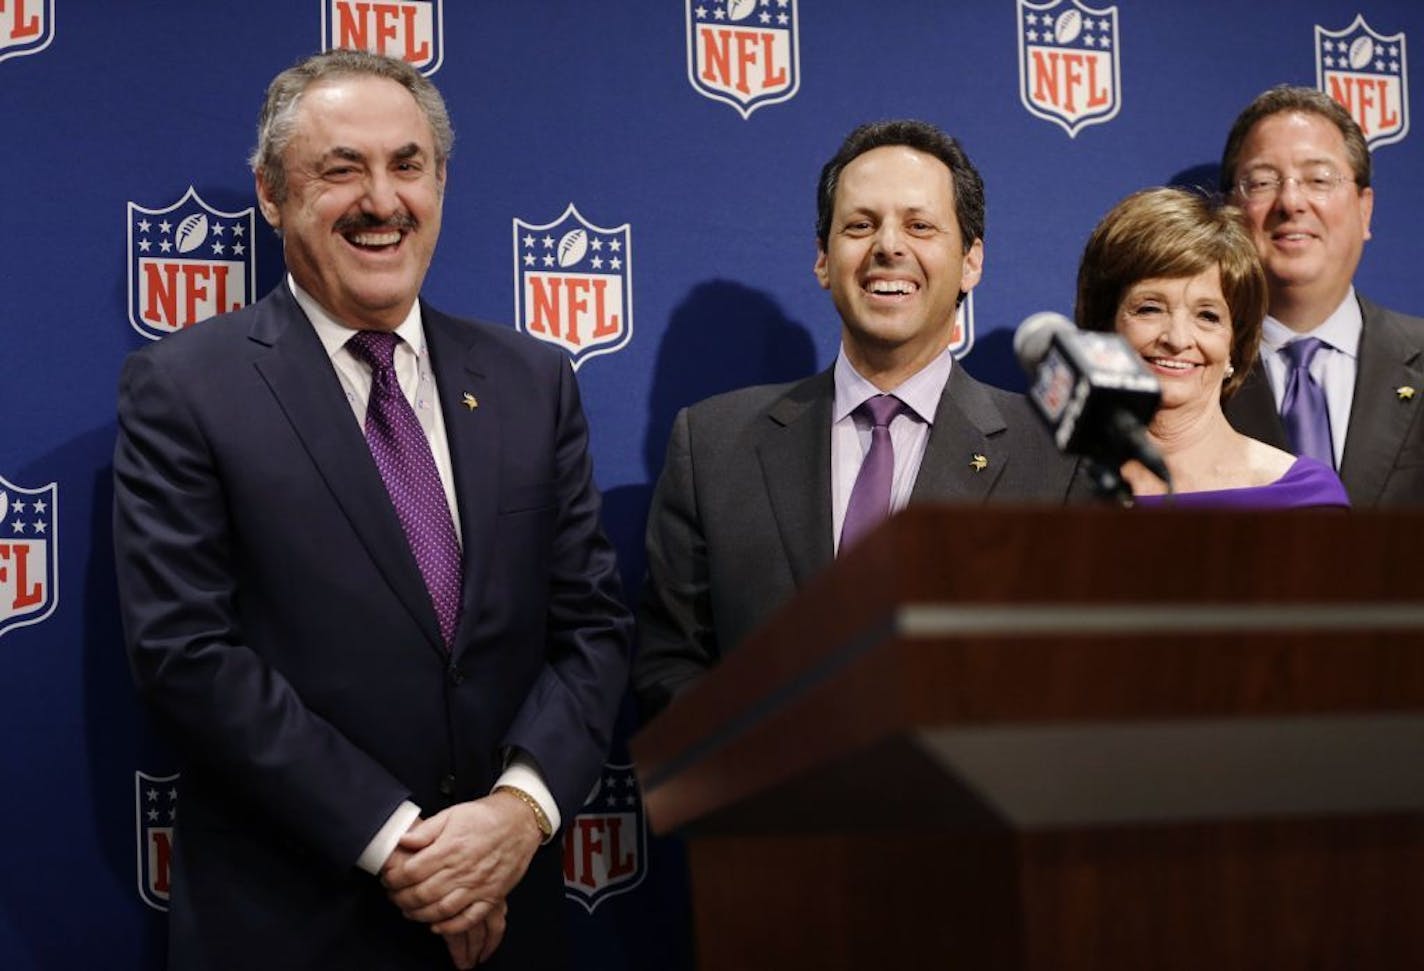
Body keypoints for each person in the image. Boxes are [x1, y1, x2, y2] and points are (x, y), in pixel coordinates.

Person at [113, 50, 631, 970]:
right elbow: (186, 653)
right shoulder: (185, 388)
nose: (381, 200)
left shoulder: (533, 380)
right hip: (294, 923)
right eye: (341, 168)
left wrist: (518, 813)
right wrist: (401, 842)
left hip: (511, 923)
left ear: (441, 182)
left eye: (407, 165)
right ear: (272, 196)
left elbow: (591, 626)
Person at [632, 119, 1081, 719]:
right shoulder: (712, 447)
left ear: (971, 261)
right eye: (860, 225)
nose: (889, 246)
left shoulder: (1056, 460)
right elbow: (666, 663)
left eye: (920, 225)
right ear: (823, 259)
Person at [1075, 186, 1348, 508]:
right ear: (1105, 326)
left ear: (1236, 342)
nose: (1177, 339)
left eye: (1207, 316)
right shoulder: (1048, 481)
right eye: (1149, 308)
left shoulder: (1302, 497)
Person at [1218, 85, 1424, 506]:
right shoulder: (1190, 370)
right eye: (1262, 182)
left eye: (1318, 179)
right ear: (1230, 213)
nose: (1291, 201)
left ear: (1365, 209)